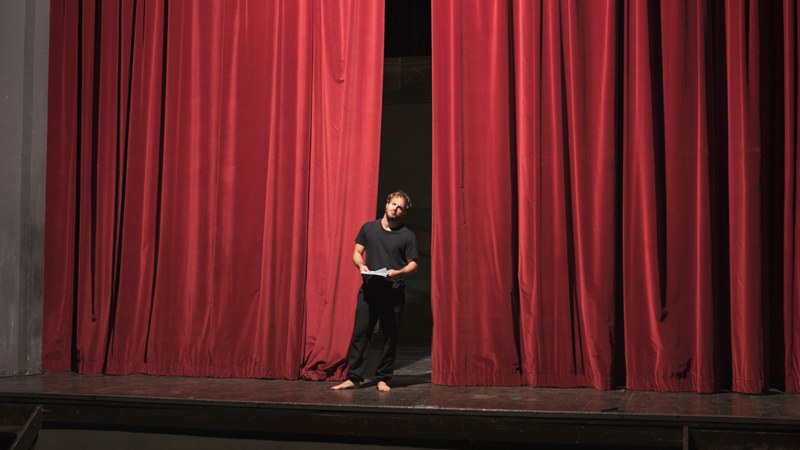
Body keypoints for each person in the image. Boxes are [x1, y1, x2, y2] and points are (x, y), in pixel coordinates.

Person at [331, 190, 419, 392]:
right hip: (370, 290)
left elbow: (414, 264)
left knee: (390, 336)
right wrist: (360, 265)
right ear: (387, 204)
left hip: (393, 291)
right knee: (361, 333)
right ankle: (354, 378)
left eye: (400, 207)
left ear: (404, 212)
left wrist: (399, 272)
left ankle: (383, 378)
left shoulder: (407, 236)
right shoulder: (369, 228)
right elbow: (357, 252)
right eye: (393, 204)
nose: (395, 209)